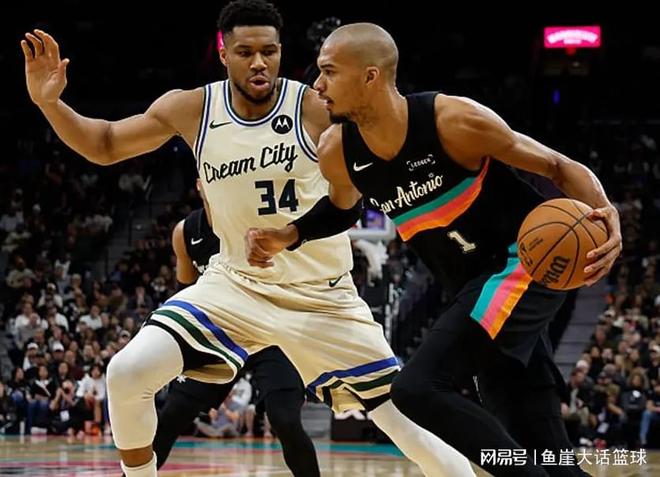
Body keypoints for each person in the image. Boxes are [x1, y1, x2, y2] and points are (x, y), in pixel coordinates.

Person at [22, 2, 473, 476]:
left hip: (321, 296)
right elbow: (106, 143)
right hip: (234, 286)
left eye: (269, 51)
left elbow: (386, 148)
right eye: (245, 52)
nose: (259, 63)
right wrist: (50, 104)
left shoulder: (314, 107)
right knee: (126, 372)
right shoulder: (193, 108)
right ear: (224, 54)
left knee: (405, 423)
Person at [244, 22, 623, 476]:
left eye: (329, 72)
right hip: (471, 288)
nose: (318, 85)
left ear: (370, 76)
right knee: (539, 443)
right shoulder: (338, 151)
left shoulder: (454, 121)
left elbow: (557, 166)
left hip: (522, 263)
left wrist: (605, 212)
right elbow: (341, 210)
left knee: (417, 389)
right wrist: (288, 235)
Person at [152, 189, 320, 476]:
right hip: (219, 334)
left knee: (285, 419)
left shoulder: (259, 218)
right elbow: (185, 293)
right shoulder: (186, 232)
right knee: (171, 415)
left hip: (269, 331)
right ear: (200, 183)